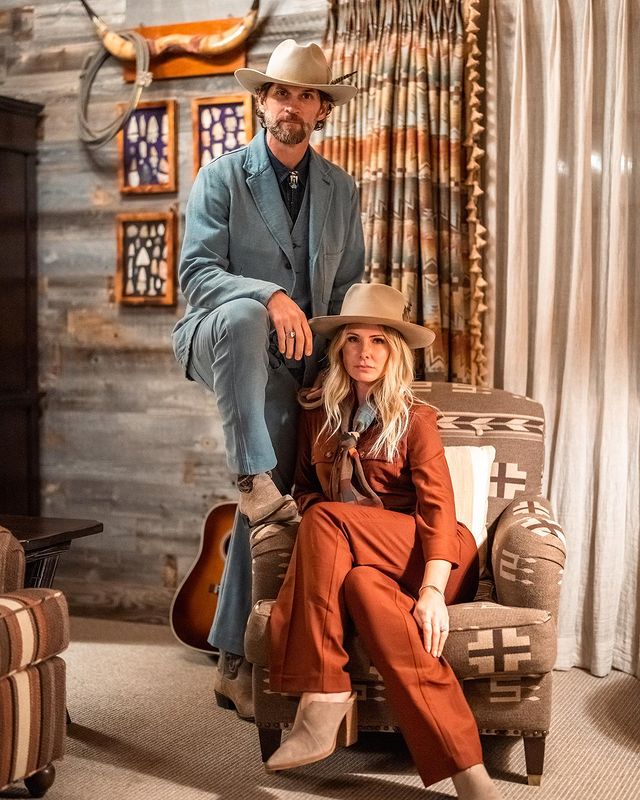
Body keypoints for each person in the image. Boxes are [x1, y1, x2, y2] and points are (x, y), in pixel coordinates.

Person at [171, 39, 364, 720]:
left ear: (321, 110)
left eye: (306, 95)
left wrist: (332, 365)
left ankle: (233, 663)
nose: (293, 106)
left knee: (283, 494)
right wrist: (270, 295)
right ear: (262, 101)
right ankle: (251, 480)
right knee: (248, 318)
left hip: (299, 362)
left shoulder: (342, 190)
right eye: (281, 92)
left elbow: (344, 290)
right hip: (217, 335)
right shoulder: (220, 177)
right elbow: (197, 277)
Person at [265, 283, 504, 799]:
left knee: (327, 520)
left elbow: (440, 511)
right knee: (360, 589)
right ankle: (468, 769)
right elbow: (305, 490)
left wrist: (435, 592)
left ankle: (324, 693)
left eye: (379, 341)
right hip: (365, 561)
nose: (365, 352)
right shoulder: (318, 417)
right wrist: (337, 535)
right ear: (339, 348)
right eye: (354, 339)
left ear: (394, 352)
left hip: (434, 554)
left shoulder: (417, 420)